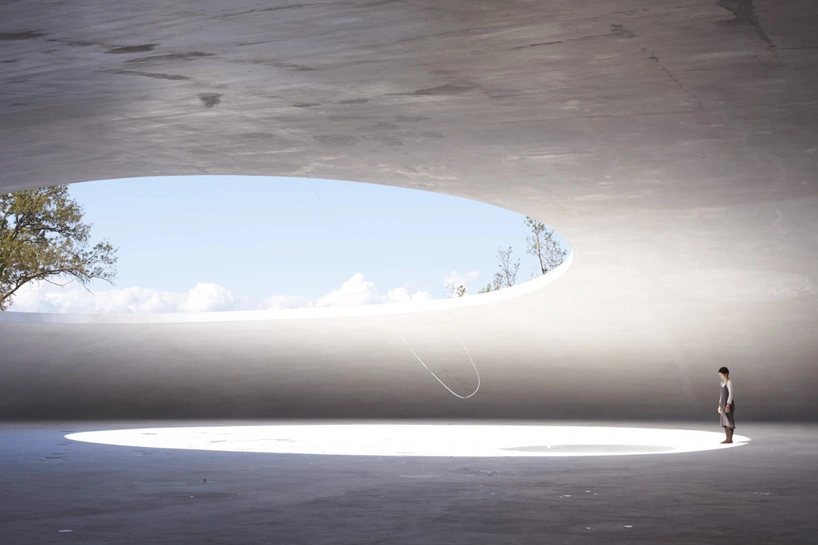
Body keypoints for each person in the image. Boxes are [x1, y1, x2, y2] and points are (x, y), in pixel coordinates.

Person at [717, 367, 736, 443]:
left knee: (729, 420)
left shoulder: (729, 382)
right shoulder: (722, 383)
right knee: (724, 421)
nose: (720, 376)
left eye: (721, 374)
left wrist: (728, 405)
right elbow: (721, 395)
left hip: (728, 404)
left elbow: (731, 394)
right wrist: (719, 405)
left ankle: (730, 439)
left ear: (726, 374)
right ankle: (727, 438)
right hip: (722, 403)